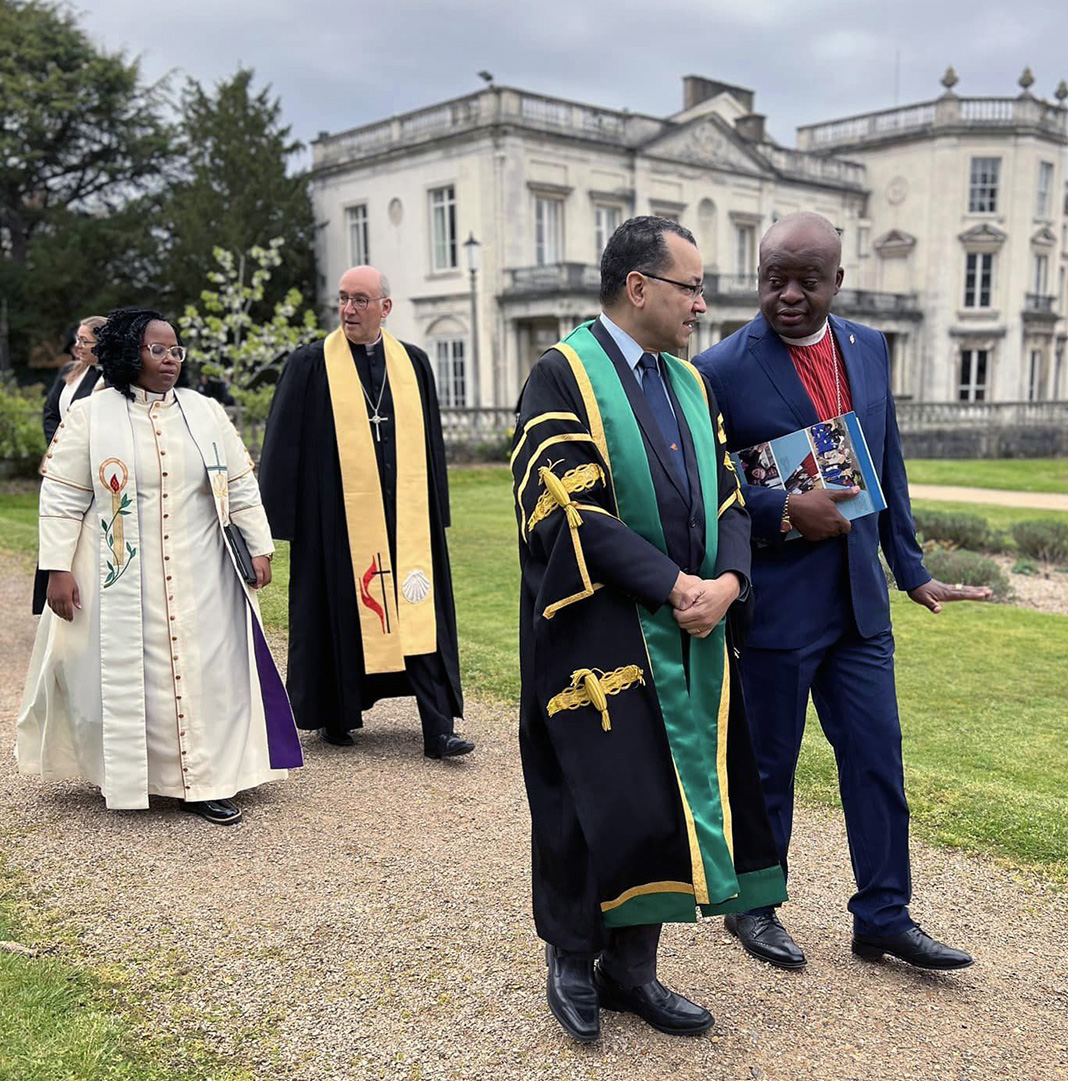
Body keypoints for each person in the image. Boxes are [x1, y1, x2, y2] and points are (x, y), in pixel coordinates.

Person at [512, 216, 786, 1043]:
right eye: (690, 287)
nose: (703, 302)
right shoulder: (563, 376)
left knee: (661, 801)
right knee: (587, 797)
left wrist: (728, 582)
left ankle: (633, 969)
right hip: (596, 631)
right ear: (640, 287)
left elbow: (731, 494)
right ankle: (570, 957)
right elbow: (569, 508)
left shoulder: (691, 383)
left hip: (693, 627)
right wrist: (673, 584)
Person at [695, 212, 989, 972]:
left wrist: (911, 567)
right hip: (778, 606)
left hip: (861, 605)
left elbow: (886, 460)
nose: (788, 295)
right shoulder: (720, 368)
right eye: (774, 278)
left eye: (807, 280)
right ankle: (754, 904)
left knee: (876, 761)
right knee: (768, 767)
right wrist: (785, 510)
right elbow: (705, 488)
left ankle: (884, 916)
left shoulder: (868, 345)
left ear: (838, 281)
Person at [17, 308, 302, 823]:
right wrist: (58, 568)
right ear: (130, 353)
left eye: (176, 351)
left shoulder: (205, 411)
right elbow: (61, 496)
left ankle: (208, 782)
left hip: (205, 573)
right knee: (135, 678)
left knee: (206, 676)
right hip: (121, 573)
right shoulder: (90, 416)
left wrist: (260, 547)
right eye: (158, 350)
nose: (171, 360)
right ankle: (135, 776)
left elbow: (239, 484)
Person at [258, 267, 472, 758]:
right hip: (335, 517)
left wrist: (435, 508)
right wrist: (277, 525)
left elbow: (431, 444)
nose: (349, 310)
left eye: (360, 300)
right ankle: (337, 712)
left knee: (420, 608)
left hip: (407, 515)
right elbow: (283, 446)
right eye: (343, 300)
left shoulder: (413, 363)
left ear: (385, 308)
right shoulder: (311, 364)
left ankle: (437, 727)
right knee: (340, 607)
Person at [34, 316, 107, 615]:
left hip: (92, 469)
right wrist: (61, 447)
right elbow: (51, 411)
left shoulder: (110, 380)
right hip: (61, 465)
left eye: (85, 341)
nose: (77, 346)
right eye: (77, 339)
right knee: (56, 531)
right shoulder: (69, 372)